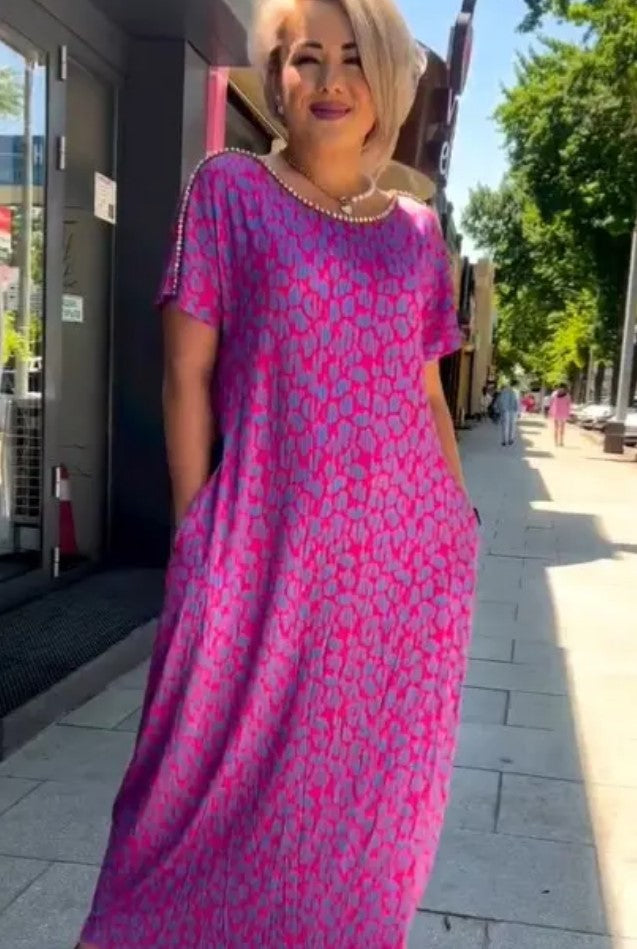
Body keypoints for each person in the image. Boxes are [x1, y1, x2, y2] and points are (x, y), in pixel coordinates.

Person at [77, 0, 479, 944]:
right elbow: (186, 373)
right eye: (307, 58)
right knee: (187, 795)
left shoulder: (417, 231)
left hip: (397, 571)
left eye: (353, 57)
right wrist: (196, 529)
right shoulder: (230, 191)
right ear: (276, 74)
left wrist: (456, 519)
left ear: (385, 80)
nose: (330, 80)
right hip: (262, 550)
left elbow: (426, 391)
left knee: (363, 803)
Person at [497, 380, 520, 446]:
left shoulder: (503, 392)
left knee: (505, 426)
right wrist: (517, 412)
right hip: (513, 410)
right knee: (512, 426)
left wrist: (500, 410)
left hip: (505, 410)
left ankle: (505, 441)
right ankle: (511, 440)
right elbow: (517, 402)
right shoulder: (515, 392)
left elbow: (500, 401)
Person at [549, 382, 572, 446]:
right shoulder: (566, 395)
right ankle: (559, 442)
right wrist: (569, 413)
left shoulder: (555, 394)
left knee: (559, 428)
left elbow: (551, 403)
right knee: (559, 428)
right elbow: (569, 405)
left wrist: (550, 411)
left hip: (559, 412)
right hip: (560, 413)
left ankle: (558, 442)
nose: (560, 389)